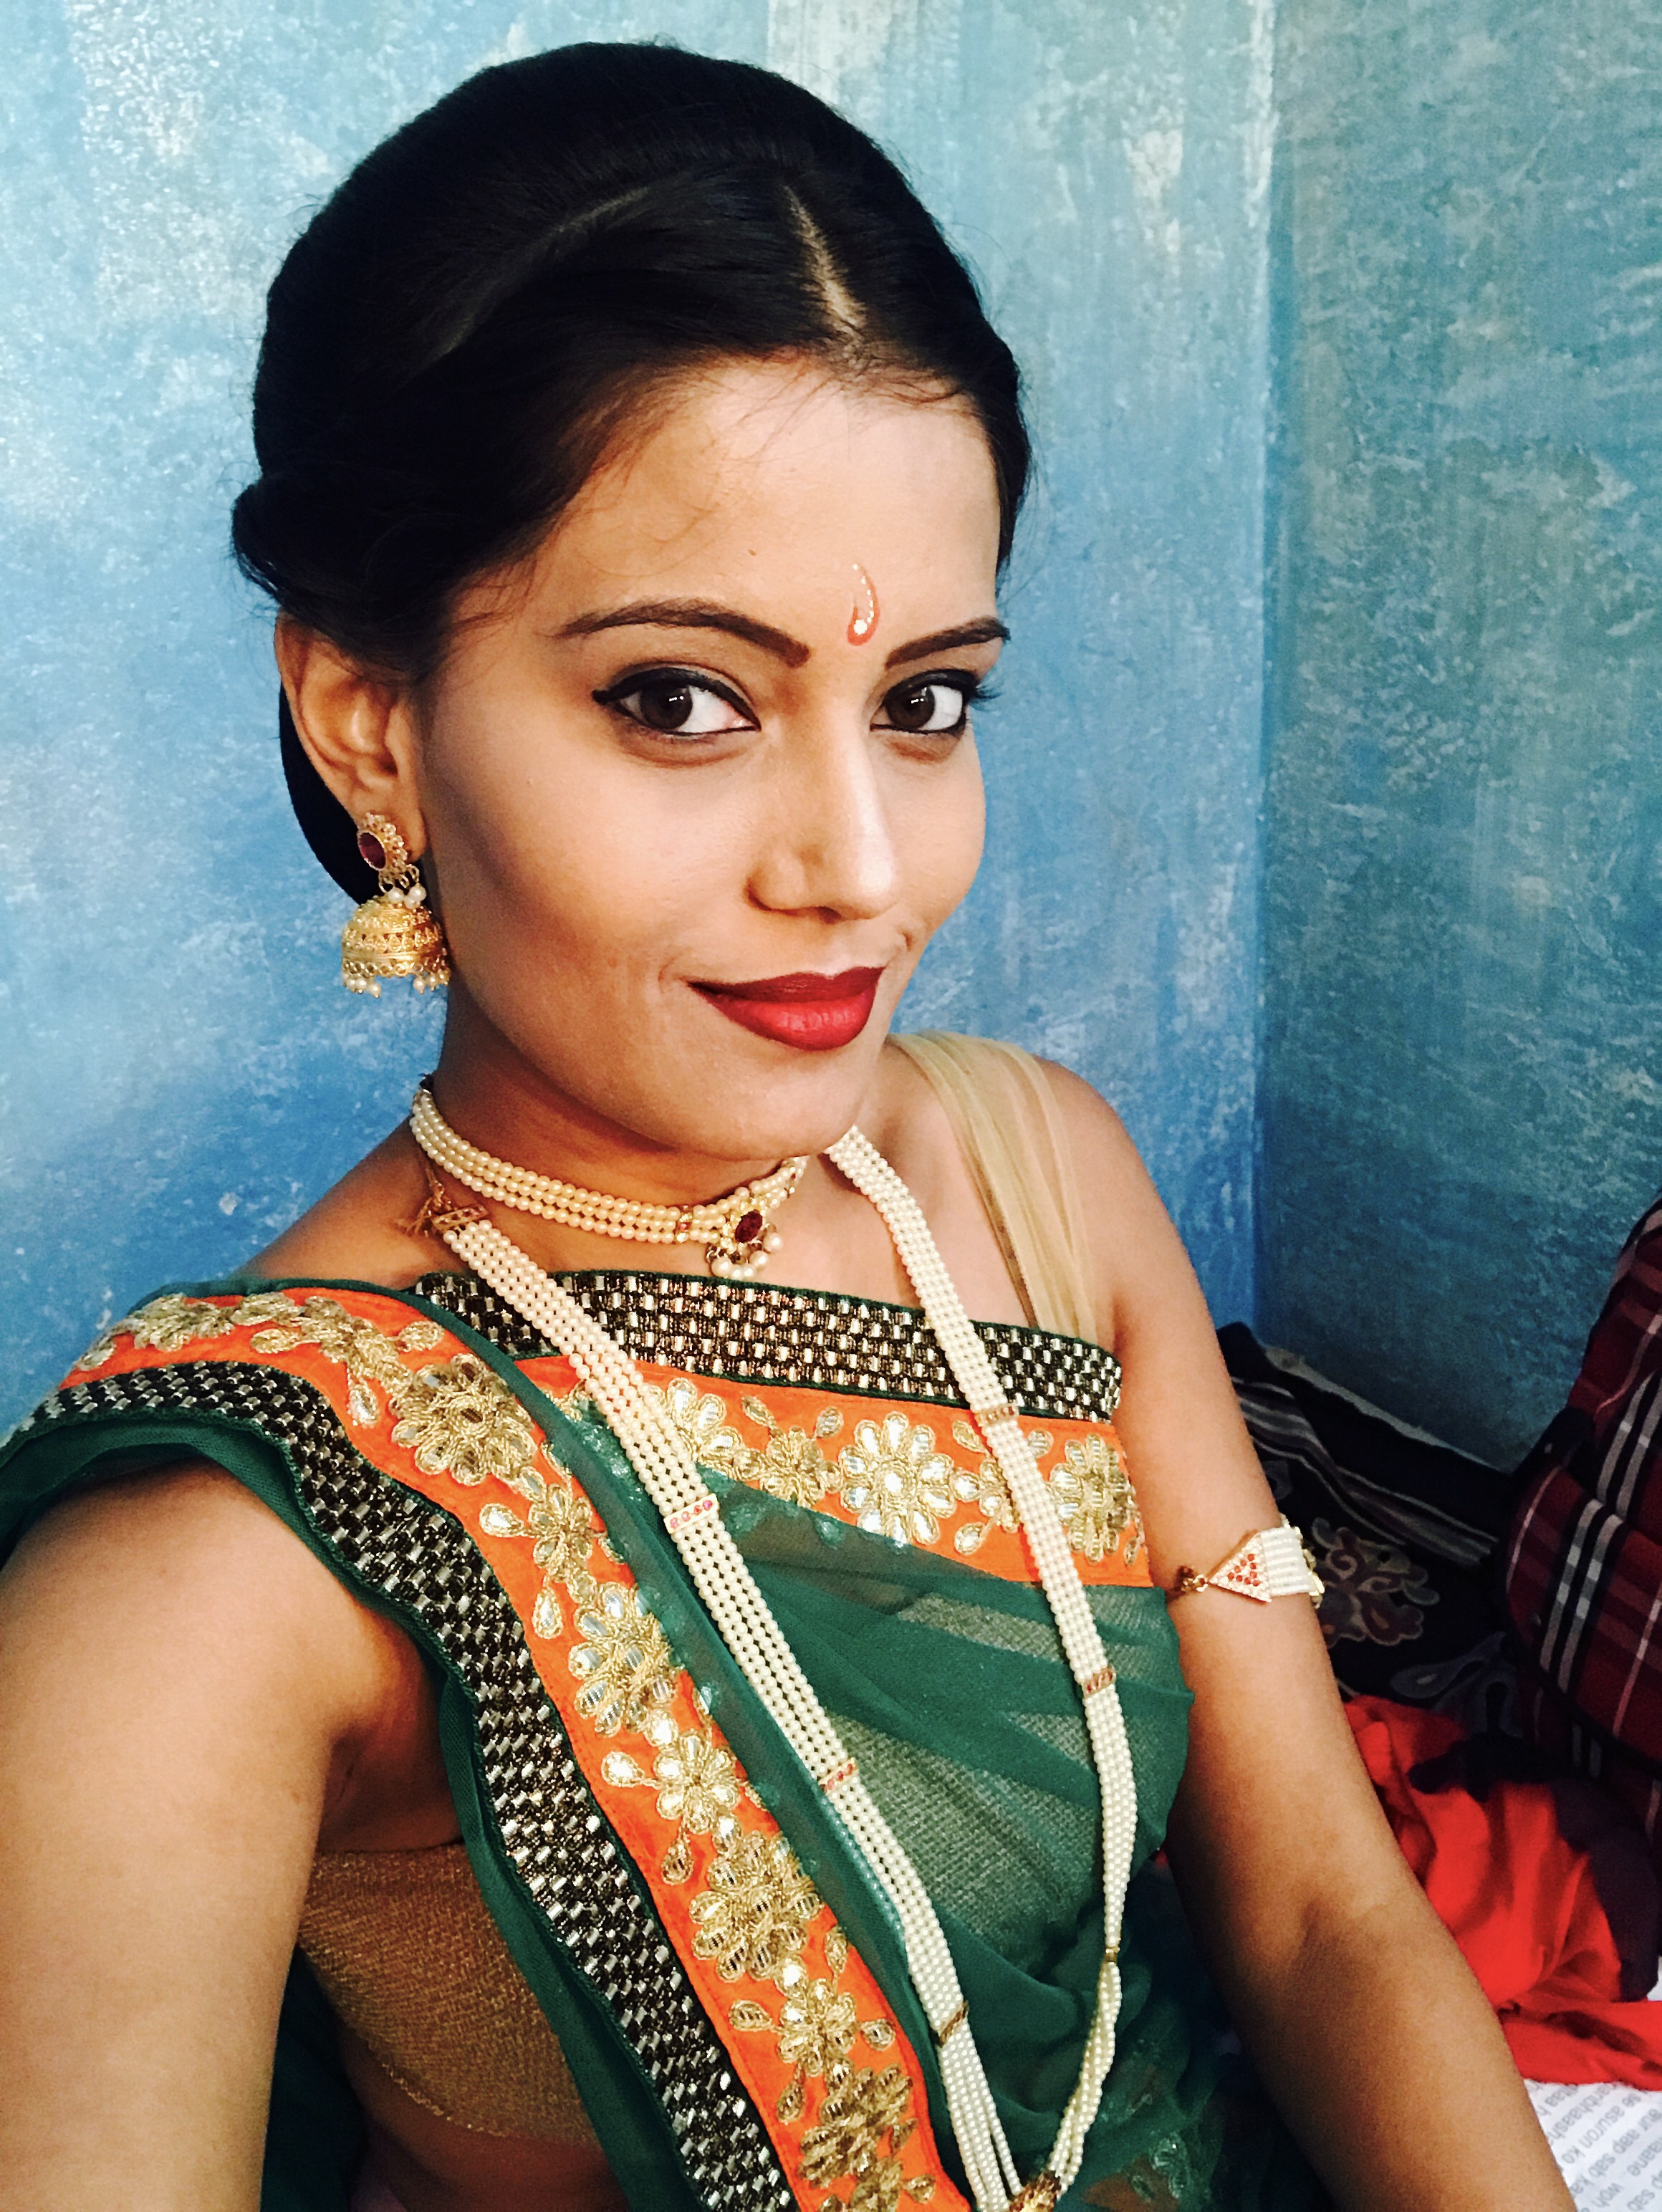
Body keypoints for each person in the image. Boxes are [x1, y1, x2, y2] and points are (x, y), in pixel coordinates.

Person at [0, 42, 1570, 2212]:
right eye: (681, 700)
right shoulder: (204, 1580)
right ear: (370, 720)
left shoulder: (1036, 1176)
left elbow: (1323, 1918)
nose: (861, 869)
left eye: (925, 702)